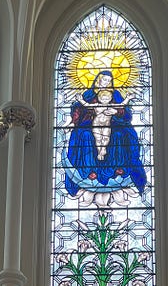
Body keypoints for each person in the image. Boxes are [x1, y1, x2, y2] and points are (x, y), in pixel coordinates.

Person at [62, 70, 147, 207]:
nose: (106, 83)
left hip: (113, 125)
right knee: (85, 136)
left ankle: (118, 168)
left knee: (119, 135)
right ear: (97, 81)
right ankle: (89, 170)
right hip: (89, 126)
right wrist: (74, 121)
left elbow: (126, 114)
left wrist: (116, 112)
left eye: (109, 81)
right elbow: (79, 110)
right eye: (104, 80)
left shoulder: (116, 95)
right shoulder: (89, 95)